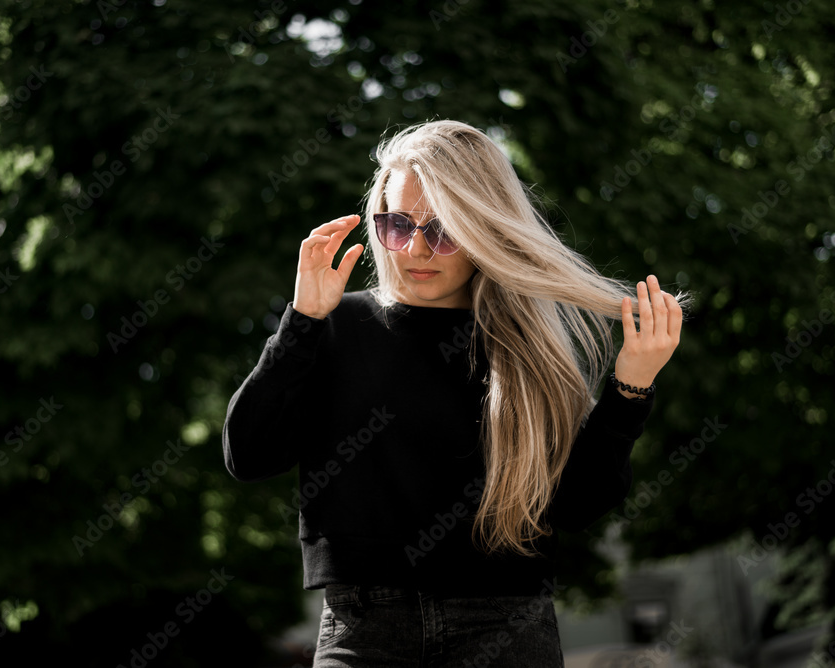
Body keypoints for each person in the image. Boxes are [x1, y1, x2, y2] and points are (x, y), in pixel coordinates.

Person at [223, 119, 692, 667]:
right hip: (362, 631)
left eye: (442, 228)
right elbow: (247, 455)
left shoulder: (529, 350)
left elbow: (579, 503)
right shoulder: (331, 327)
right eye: (397, 224)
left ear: (484, 230)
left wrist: (630, 385)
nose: (416, 248)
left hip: (506, 627)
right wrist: (301, 322)